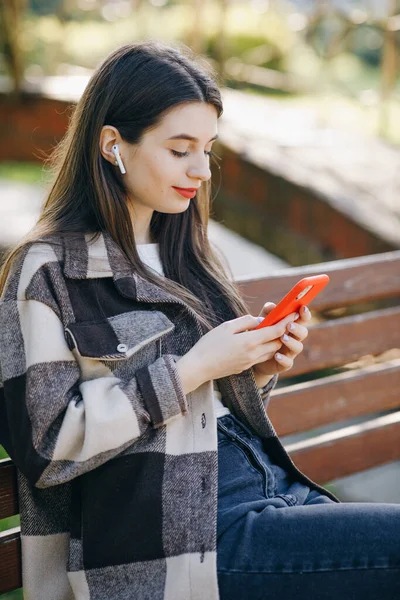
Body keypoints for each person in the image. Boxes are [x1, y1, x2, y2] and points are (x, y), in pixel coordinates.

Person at [0, 40, 398, 600]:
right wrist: (189, 370)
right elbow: (46, 445)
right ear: (113, 144)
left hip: (264, 494)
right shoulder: (48, 272)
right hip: (178, 545)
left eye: (207, 150)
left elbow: (206, 410)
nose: (202, 171)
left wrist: (255, 367)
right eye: (181, 149)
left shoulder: (190, 252)